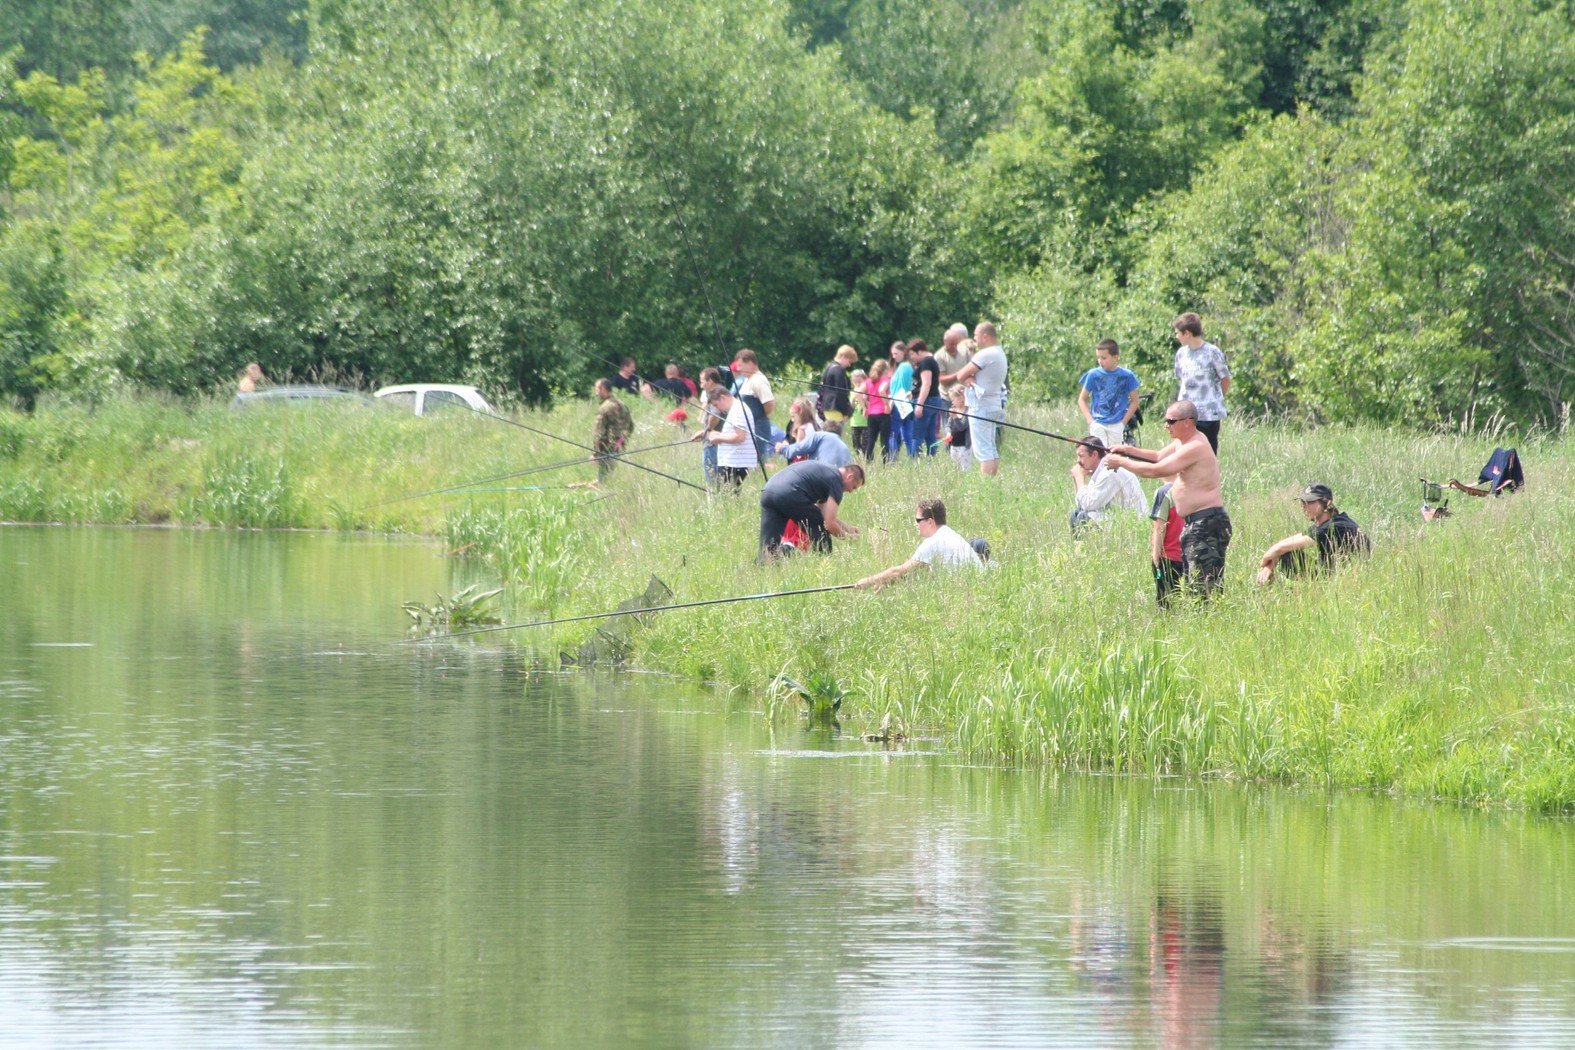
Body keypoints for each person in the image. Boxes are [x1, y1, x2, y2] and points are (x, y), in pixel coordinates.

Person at [1106, 400, 1230, 598]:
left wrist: (1121, 462)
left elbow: (1157, 470)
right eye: (1166, 421)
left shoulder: (1195, 446)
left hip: (1207, 523)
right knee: (1193, 585)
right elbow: (1157, 457)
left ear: (1188, 422)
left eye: (1171, 421)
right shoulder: (1182, 442)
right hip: (1195, 523)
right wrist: (1127, 450)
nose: (1166, 425)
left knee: (1204, 590)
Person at [854, 498, 982, 591]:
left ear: (930, 522)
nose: (915, 524)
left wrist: (869, 581)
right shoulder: (949, 534)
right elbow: (914, 572)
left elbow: (898, 571)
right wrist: (885, 582)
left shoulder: (934, 542)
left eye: (918, 520)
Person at [1256, 484, 1371, 584]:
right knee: (1287, 554)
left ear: (1327, 503)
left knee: (1287, 554)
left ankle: (1306, 592)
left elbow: (1279, 548)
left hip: (1348, 580)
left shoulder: (1334, 526)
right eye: (1302, 502)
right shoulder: (1330, 523)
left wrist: (1264, 564)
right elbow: (1286, 544)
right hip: (1334, 576)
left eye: (1310, 502)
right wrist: (1269, 567)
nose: (1304, 506)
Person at [758, 461, 864, 561]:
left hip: (769, 491)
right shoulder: (836, 481)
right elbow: (829, 524)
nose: (851, 491)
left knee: (768, 547)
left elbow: (825, 515)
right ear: (850, 477)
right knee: (819, 527)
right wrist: (849, 538)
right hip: (789, 493)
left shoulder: (826, 474)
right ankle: (824, 563)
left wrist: (848, 528)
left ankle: (763, 565)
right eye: (854, 487)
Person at [953, 321, 1008, 476]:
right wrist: (970, 378)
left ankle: (986, 485)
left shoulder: (986, 354)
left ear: (985, 336)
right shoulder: (999, 353)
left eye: (976, 335)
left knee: (983, 451)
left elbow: (960, 375)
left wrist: (968, 378)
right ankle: (991, 483)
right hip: (994, 404)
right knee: (990, 448)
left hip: (981, 407)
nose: (974, 339)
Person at [1172, 313, 1230, 453]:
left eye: (1178, 333)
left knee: (1207, 452)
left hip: (1208, 414)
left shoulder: (1212, 352)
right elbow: (1181, 378)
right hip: (1186, 414)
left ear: (1187, 333)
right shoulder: (1181, 354)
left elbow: (1225, 378)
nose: (1176, 336)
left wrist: (1217, 397)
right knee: (1183, 453)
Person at [1068, 436, 1145, 531]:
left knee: (1082, 517)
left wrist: (1079, 478)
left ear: (1094, 454)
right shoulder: (1099, 471)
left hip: (1131, 523)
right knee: (1076, 513)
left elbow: (1088, 504)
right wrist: (1076, 480)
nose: (1078, 461)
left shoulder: (1108, 472)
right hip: (1116, 517)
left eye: (1081, 456)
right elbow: (1082, 505)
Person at [1079, 339, 1141, 452]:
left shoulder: (1127, 376)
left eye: (1104, 358)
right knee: (1099, 453)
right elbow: (1082, 399)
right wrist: (1091, 421)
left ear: (1115, 357)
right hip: (1098, 422)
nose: (1100, 361)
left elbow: (1135, 401)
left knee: (1114, 454)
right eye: (1098, 358)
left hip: (1117, 423)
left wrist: (1123, 423)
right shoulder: (1093, 375)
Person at [692, 386, 758, 489]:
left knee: (725, 494)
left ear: (723, 398)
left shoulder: (738, 410)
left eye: (716, 405)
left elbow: (740, 437)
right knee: (728, 493)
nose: (717, 409)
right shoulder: (736, 409)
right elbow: (733, 434)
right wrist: (708, 435)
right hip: (733, 461)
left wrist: (719, 439)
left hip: (735, 462)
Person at [731, 349, 776, 466]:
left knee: (757, 460)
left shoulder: (758, 380)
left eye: (741, 365)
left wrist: (759, 417)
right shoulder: (748, 380)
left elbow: (769, 403)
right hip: (749, 426)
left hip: (758, 426)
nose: (738, 369)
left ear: (750, 363)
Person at [1150, 479, 1186, 607]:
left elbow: (1160, 528)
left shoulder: (1164, 492)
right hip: (1188, 557)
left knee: (1166, 603)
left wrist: (1155, 558)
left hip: (1168, 558)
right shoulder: (1192, 488)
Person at [591, 379, 634, 482]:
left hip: (605, 447)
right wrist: (621, 441)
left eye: (597, 389)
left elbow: (598, 433)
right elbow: (631, 426)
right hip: (618, 446)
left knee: (603, 479)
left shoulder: (604, 407)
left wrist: (595, 453)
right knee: (610, 476)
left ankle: (602, 487)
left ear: (603, 389)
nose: (596, 393)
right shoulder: (622, 405)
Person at [906, 338, 944, 456]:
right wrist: (912, 392)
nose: (911, 357)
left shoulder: (926, 362)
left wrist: (919, 405)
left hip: (926, 401)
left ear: (920, 351)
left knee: (917, 435)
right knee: (930, 435)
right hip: (933, 399)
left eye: (912, 354)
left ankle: (915, 461)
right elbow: (921, 383)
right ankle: (931, 460)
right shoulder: (931, 360)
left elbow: (927, 384)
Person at [818, 344, 857, 434]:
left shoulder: (829, 367)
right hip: (836, 410)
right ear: (843, 356)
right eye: (849, 361)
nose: (849, 364)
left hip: (827, 408)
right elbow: (841, 393)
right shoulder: (839, 371)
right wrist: (847, 412)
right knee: (835, 436)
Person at [886, 341, 914, 459]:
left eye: (896, 353)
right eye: (892, 354)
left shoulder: (904, 367)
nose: (894, 356)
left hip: (899, 403)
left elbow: (900, 387)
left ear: (903, 352)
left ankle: (892, 459)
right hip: (907, 403)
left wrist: (891, 402)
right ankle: (913, 458)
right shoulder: (907, 366)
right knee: (908, 434)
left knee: (893, 433)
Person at [862, 359, 892, 462]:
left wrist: (864, 407)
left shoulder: (869, 381)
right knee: (884, 441)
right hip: (883, 413)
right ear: (885, 369)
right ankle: (886, 463)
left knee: (871, 441)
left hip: (871, 414)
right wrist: (887, 404)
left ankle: (868, 462)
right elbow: (881, 390)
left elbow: (859, 392)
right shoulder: (885, 380)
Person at [775, 428, 853, 467]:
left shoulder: (819, 435)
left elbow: (800, 448)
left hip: (819, 475)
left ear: (823, 430)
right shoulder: (845, 448)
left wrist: (782, 448)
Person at [934, 323, 973, 399]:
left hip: (964, 396)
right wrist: (960, 374)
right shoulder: (939, 356)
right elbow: (942, 380)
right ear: (945, 341)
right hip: (947, 397)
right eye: (951, 344)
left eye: (956, 344)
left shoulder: (965, 351)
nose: (954, 346)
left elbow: (972, 369)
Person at [945, 385, 971, 470]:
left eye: (953, 400)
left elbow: (962, 427)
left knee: (965, 468)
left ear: (962, 398)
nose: (952, 403)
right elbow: (948, 425)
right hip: (954, 445)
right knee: (955, 468)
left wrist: (955, 417)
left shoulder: (968, 412)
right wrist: (948, 433)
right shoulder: (955, 410)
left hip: (964, 446)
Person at [847, 368, 869, 460]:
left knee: (866, 445)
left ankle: (866, 460)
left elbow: (870, 406)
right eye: (855, 382)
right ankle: (858, 459)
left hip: (866, 423)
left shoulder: (867, 392)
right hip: (855, 422)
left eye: (860, 382)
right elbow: (850, 407)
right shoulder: (852, 392)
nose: (857, 384)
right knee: (856, 444)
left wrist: (864, 399)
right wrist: (852, 399)